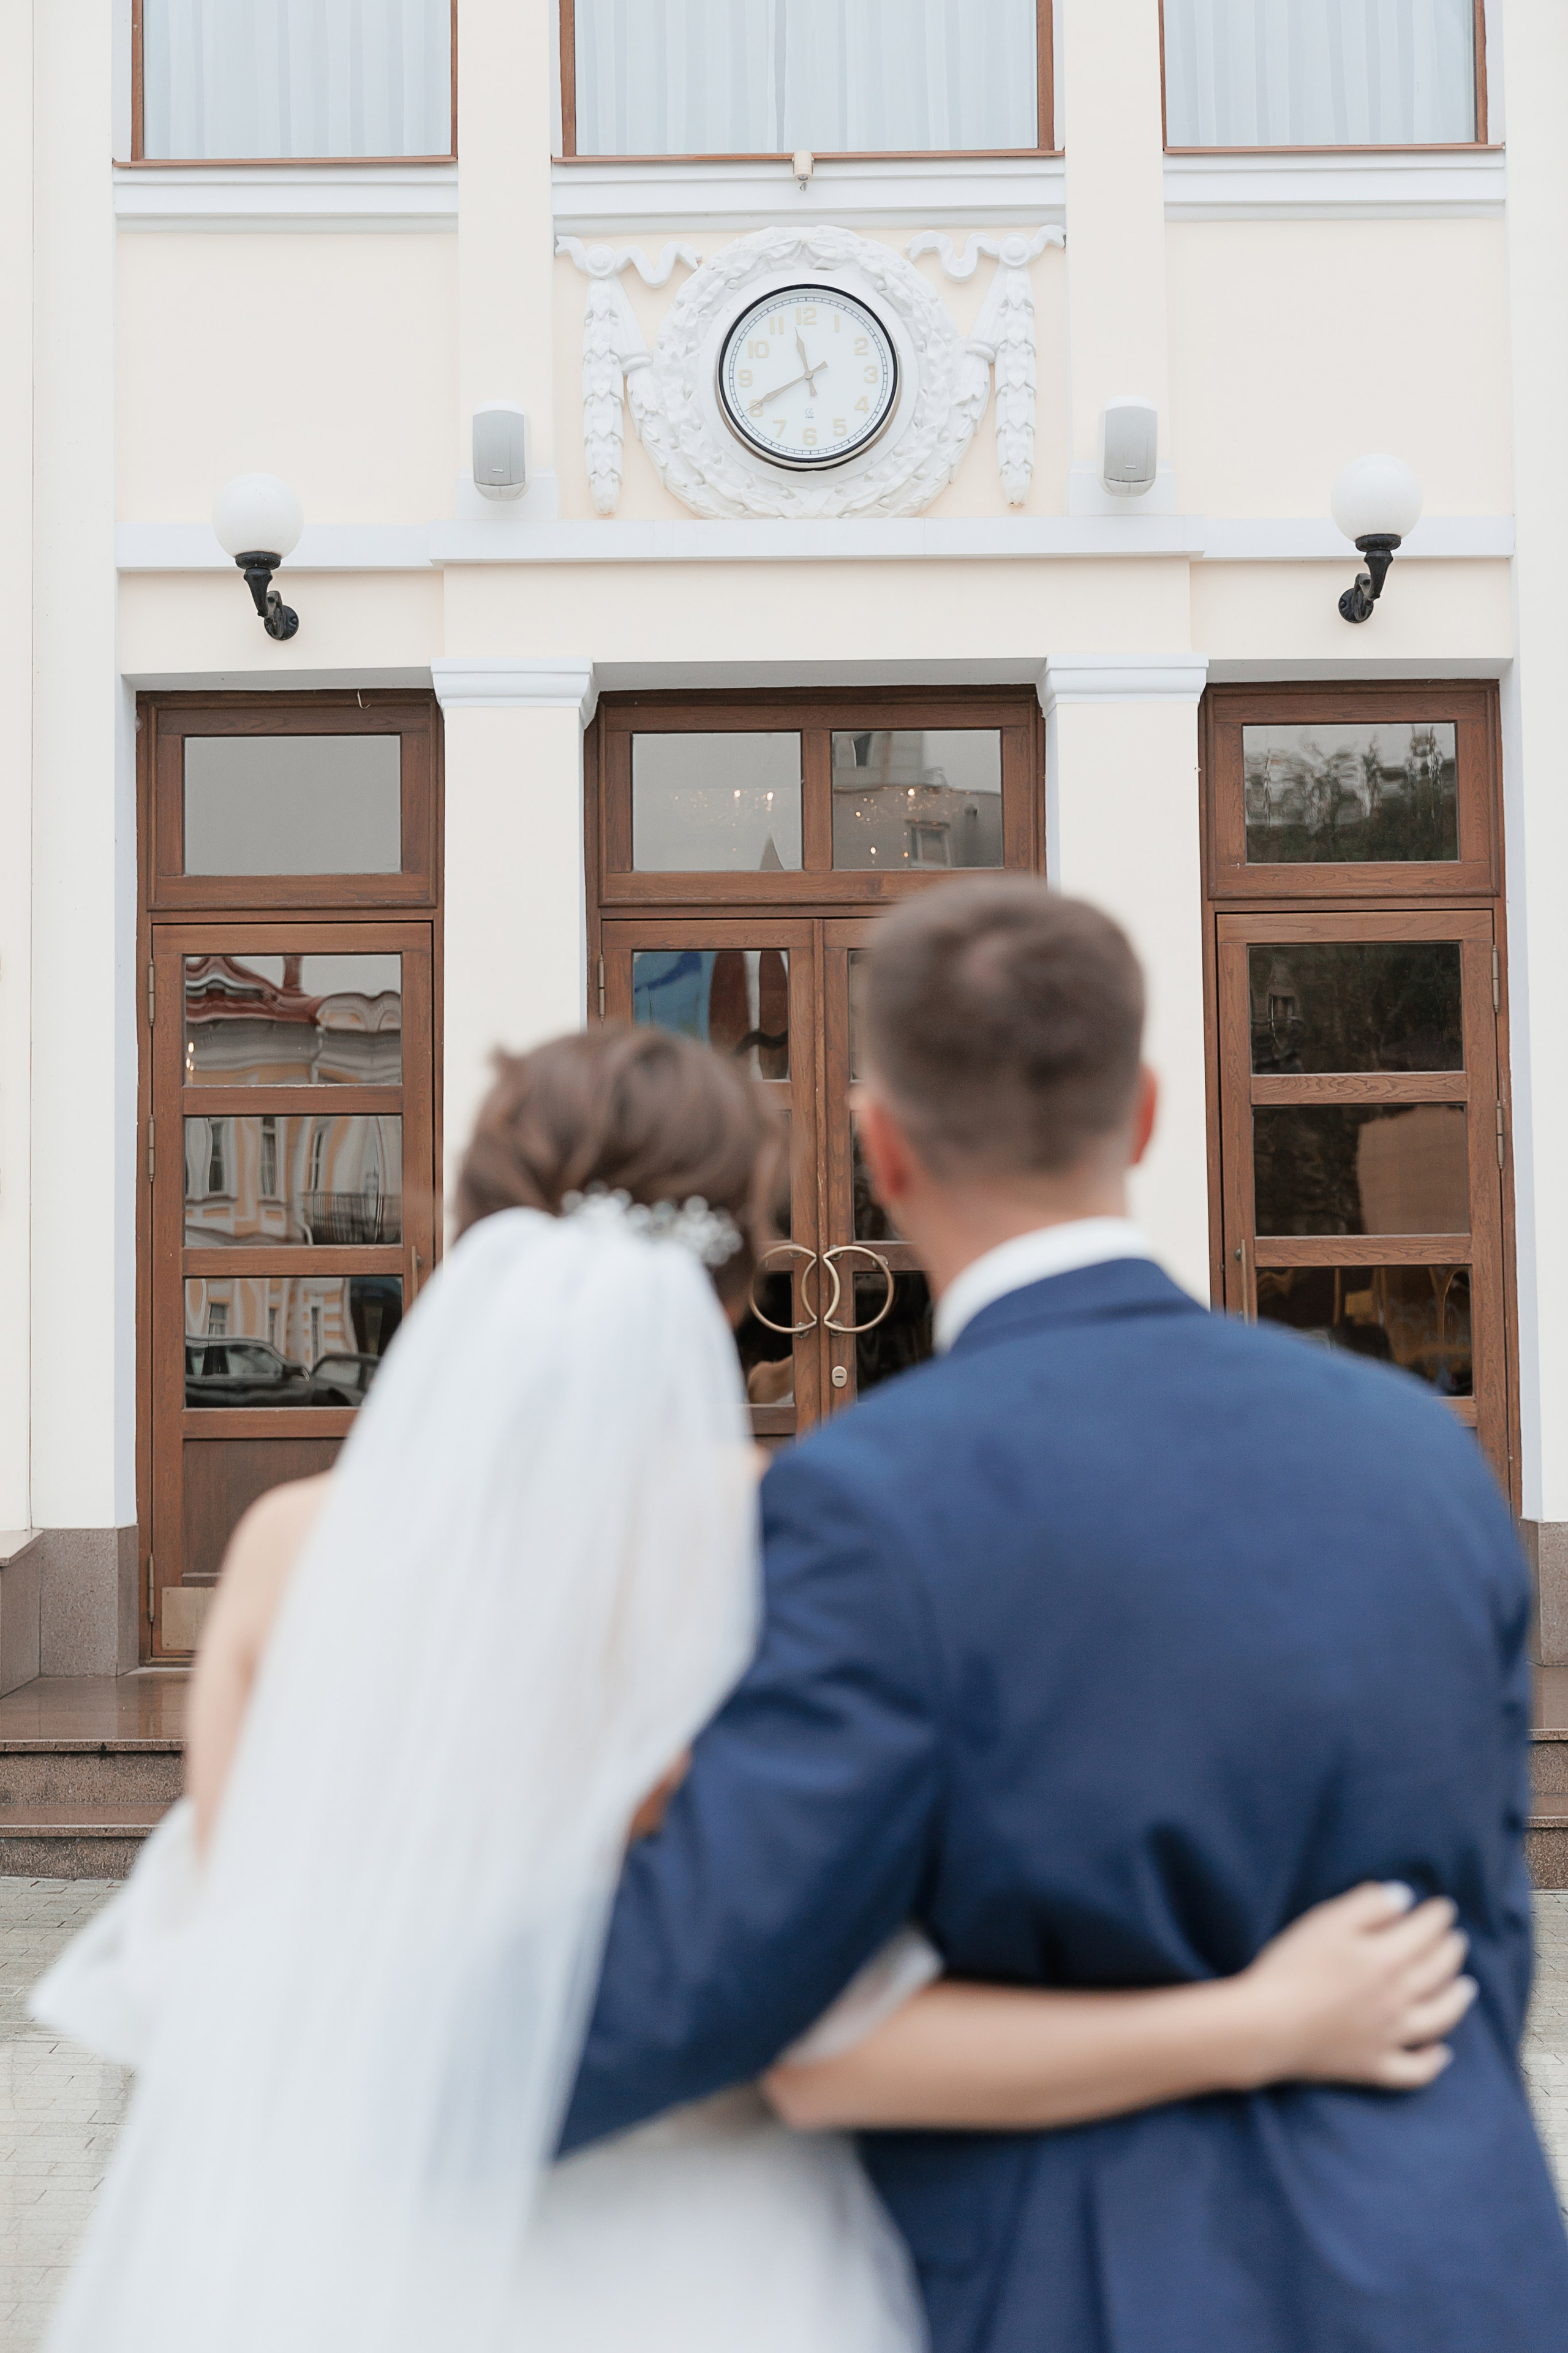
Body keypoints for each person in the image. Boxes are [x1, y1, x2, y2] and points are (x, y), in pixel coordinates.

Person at [34, 1025, 1473, 2353]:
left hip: (329, 2256)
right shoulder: (795, 1538)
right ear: (746, 1272)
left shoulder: (287, 1552)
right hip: (704, 2258)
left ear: (470, 1230)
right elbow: (833, 2042)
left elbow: (232, 1962)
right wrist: (1262, 2022)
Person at [559, 882, 1568, 2353]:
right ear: (1148, 1112)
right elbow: (1484, 1932)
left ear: (878, 1143)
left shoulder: (864, 1498)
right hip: (1453, 2263)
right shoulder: (1421, 1449)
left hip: (1100, 2289)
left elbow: (701, 1984)